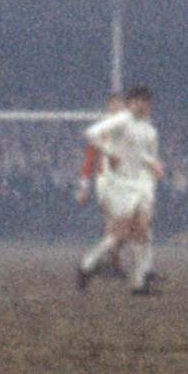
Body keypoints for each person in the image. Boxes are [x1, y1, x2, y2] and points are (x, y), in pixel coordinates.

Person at [77, 86, 164, 295]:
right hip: (120, 184)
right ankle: (88, 264)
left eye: (144, 101)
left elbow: (143, 155)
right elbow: (91, 133)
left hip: (141, 184)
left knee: (142, 229)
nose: (140, 105)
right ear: (131, 103)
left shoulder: (151, 131)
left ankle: (139, 283)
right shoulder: (122, 120)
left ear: (149, 105)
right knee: (122, 232)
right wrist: (111, 153)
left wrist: (155, 165)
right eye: (136, 101)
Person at [74, 92, 126, 282]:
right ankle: (101, 264)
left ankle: (103, 263)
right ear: (109, 107)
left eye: (120, 105)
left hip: (123, 183)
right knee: (119, 226)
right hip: (106, 183)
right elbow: (90, 159)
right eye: (114, 105)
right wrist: (83, 187)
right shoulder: (102, 130)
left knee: (118, 228)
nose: (117, 108)